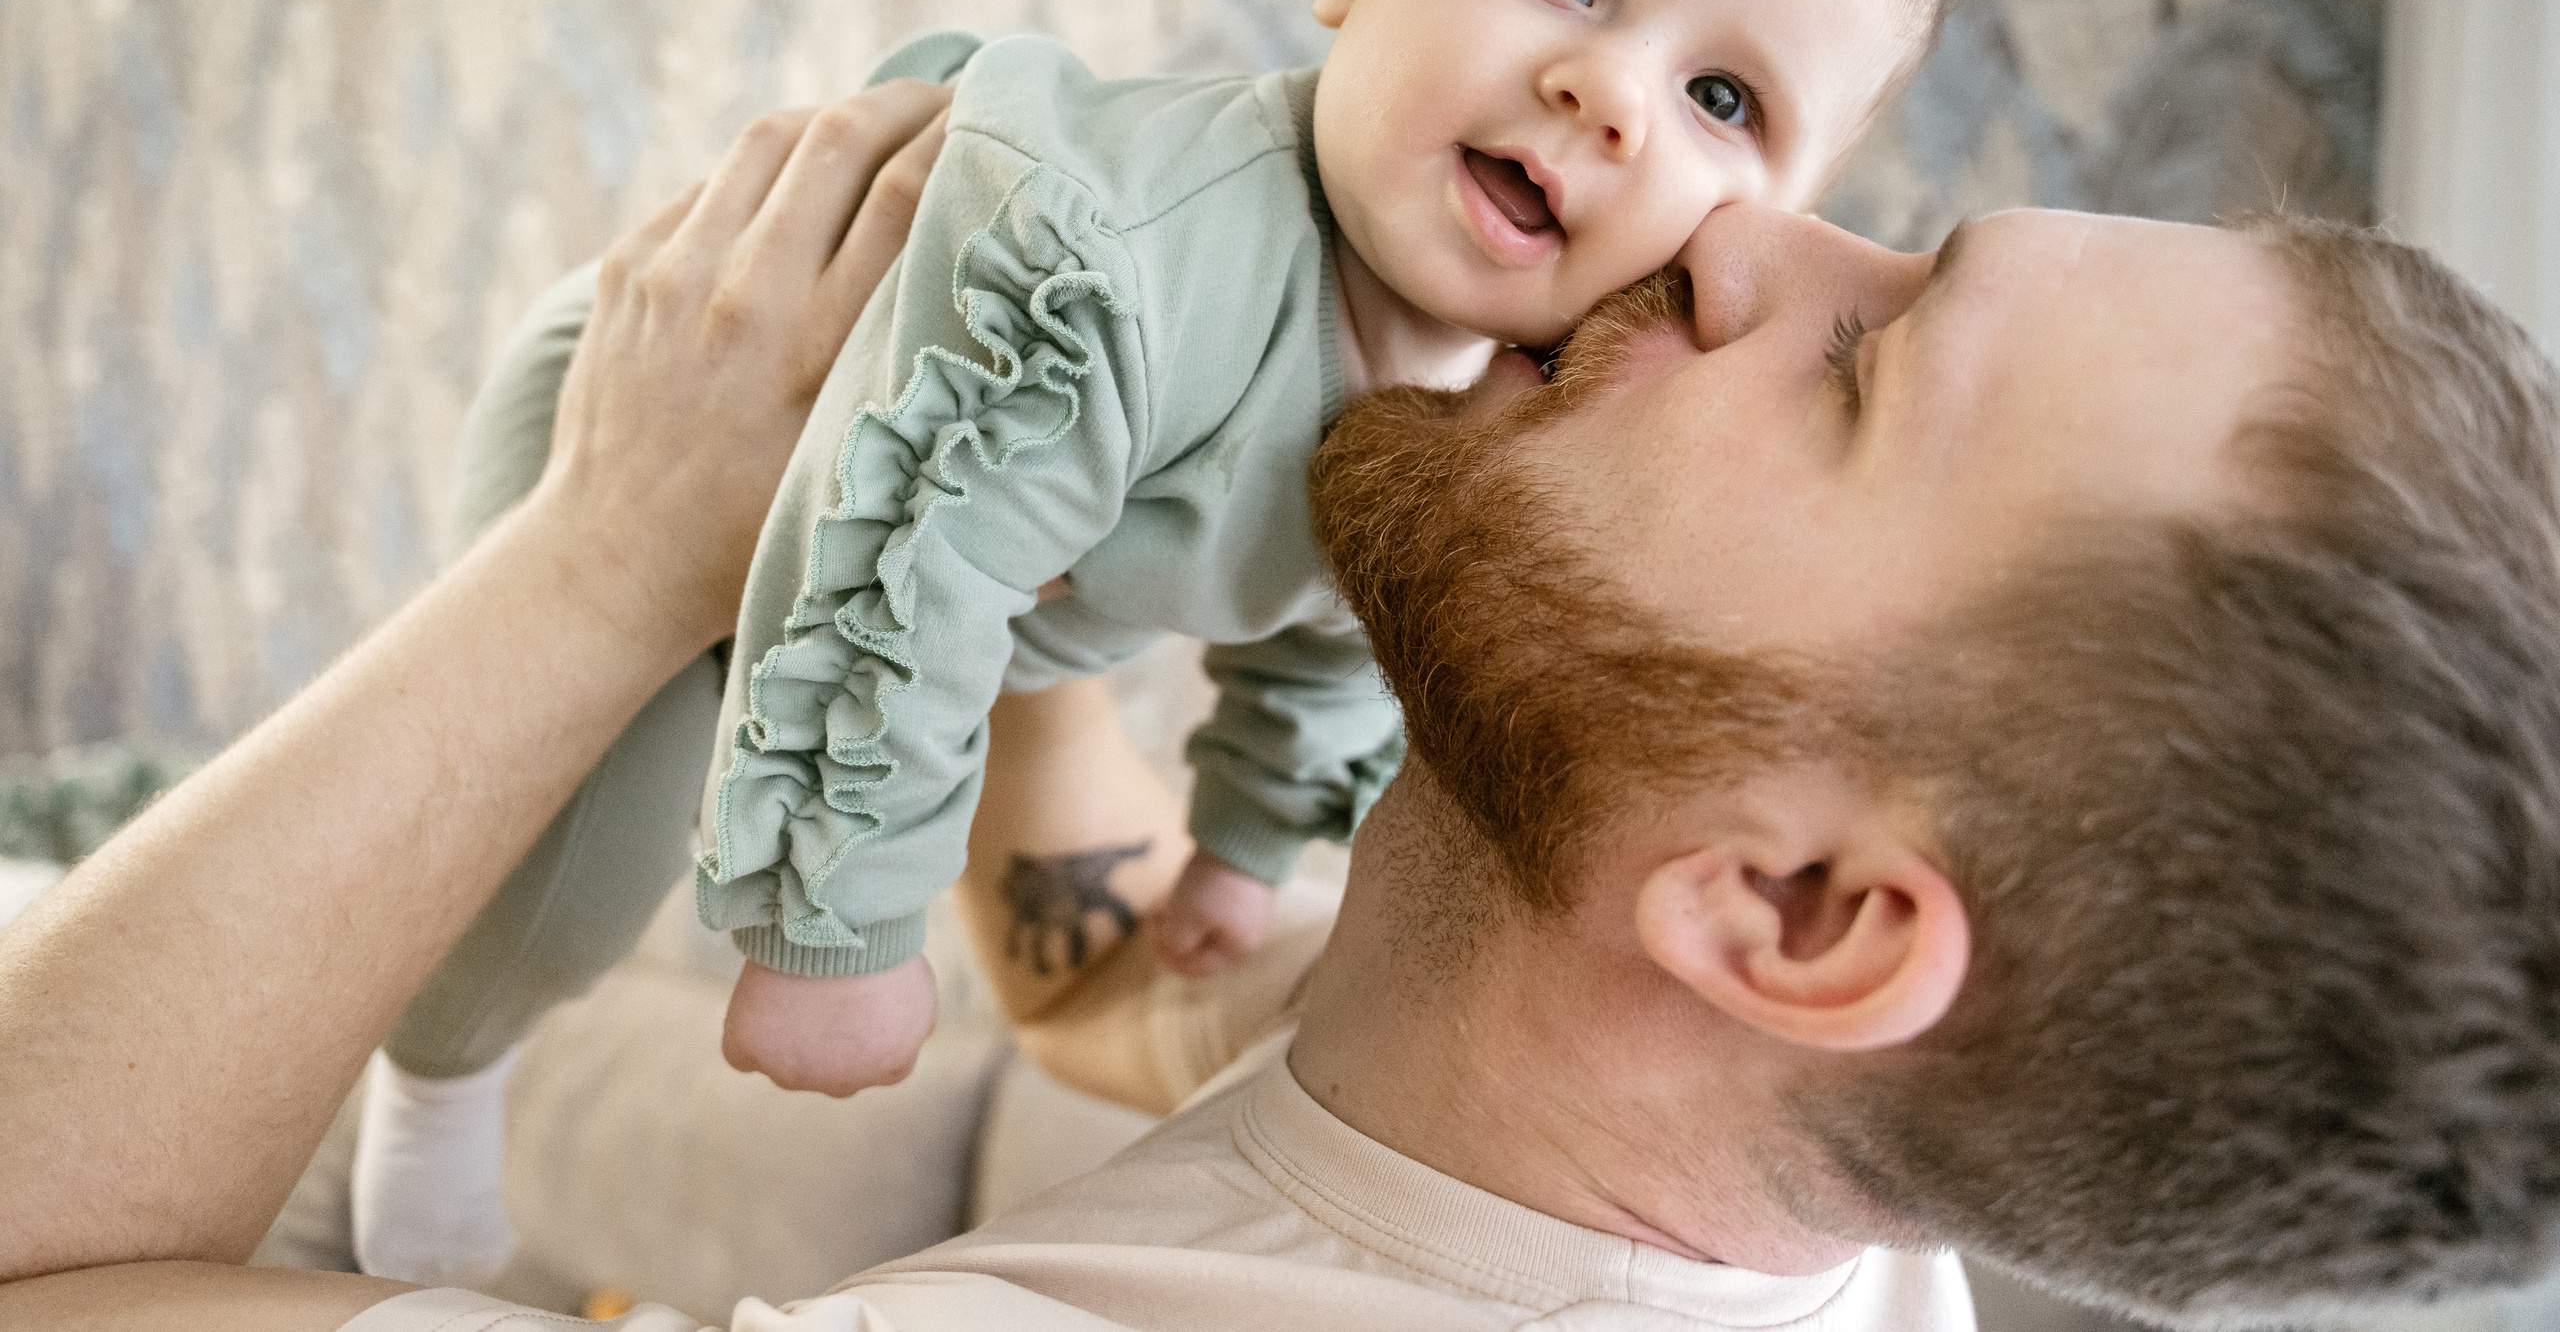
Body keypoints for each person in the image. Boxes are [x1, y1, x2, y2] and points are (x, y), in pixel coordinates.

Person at [9, 82, 2560, 1332]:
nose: (1741, 224)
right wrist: (1033, 559)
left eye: (1868, 365)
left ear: (1793, 908)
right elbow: (1109, 978)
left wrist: (606, 548)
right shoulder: (1795, 1205)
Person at [352, 0, 1963, 1286]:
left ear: (1758, 229)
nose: (1611, 91)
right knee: (580, 867)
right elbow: (902, 559)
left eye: (1723, 100)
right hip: (669, 437)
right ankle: (434, 1088)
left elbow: (1335, 635)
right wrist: (839, 928)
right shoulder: (1127, 262)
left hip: (905, 587)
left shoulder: (1477, 417)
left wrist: (1242, 848)